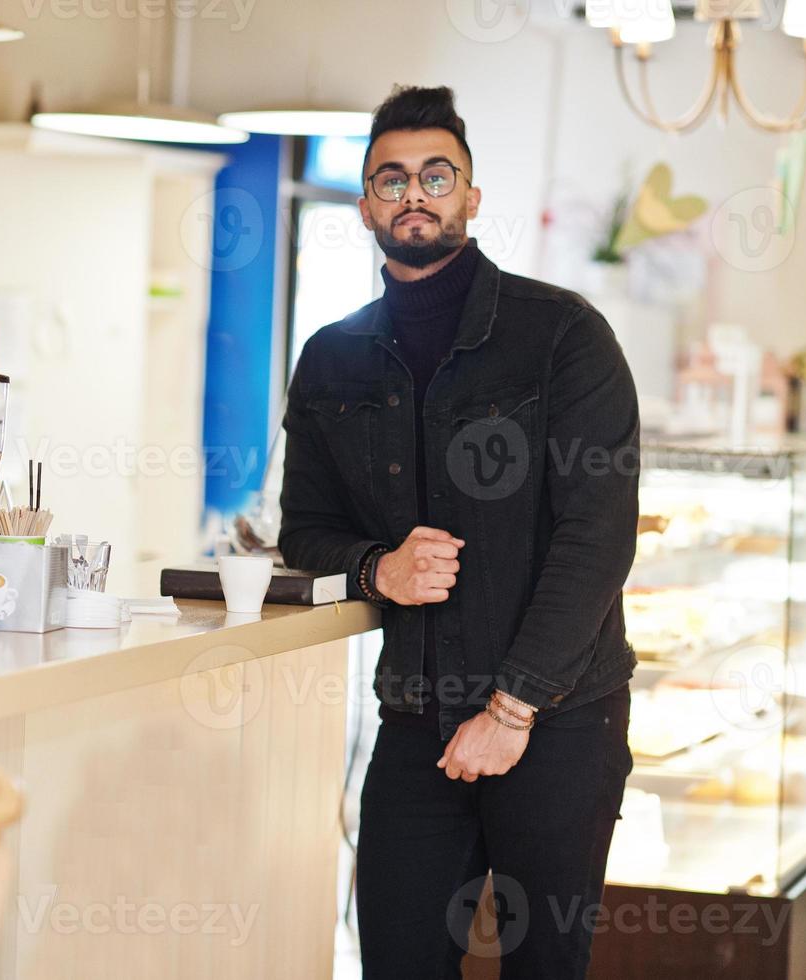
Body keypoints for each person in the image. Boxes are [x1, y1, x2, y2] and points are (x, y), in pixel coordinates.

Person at [276, 85, 641, 978]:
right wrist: (376, 570)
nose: (414, 194)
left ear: (471, 196)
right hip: (413, 720)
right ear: (364, 204)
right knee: (395, 960)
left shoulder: (561, 336)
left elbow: (596, 534)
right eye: (390, 179)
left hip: (559, 721)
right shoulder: (332, 357)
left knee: (543, 967)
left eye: (436, 175)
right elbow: (304, 532)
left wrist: (512, 706)